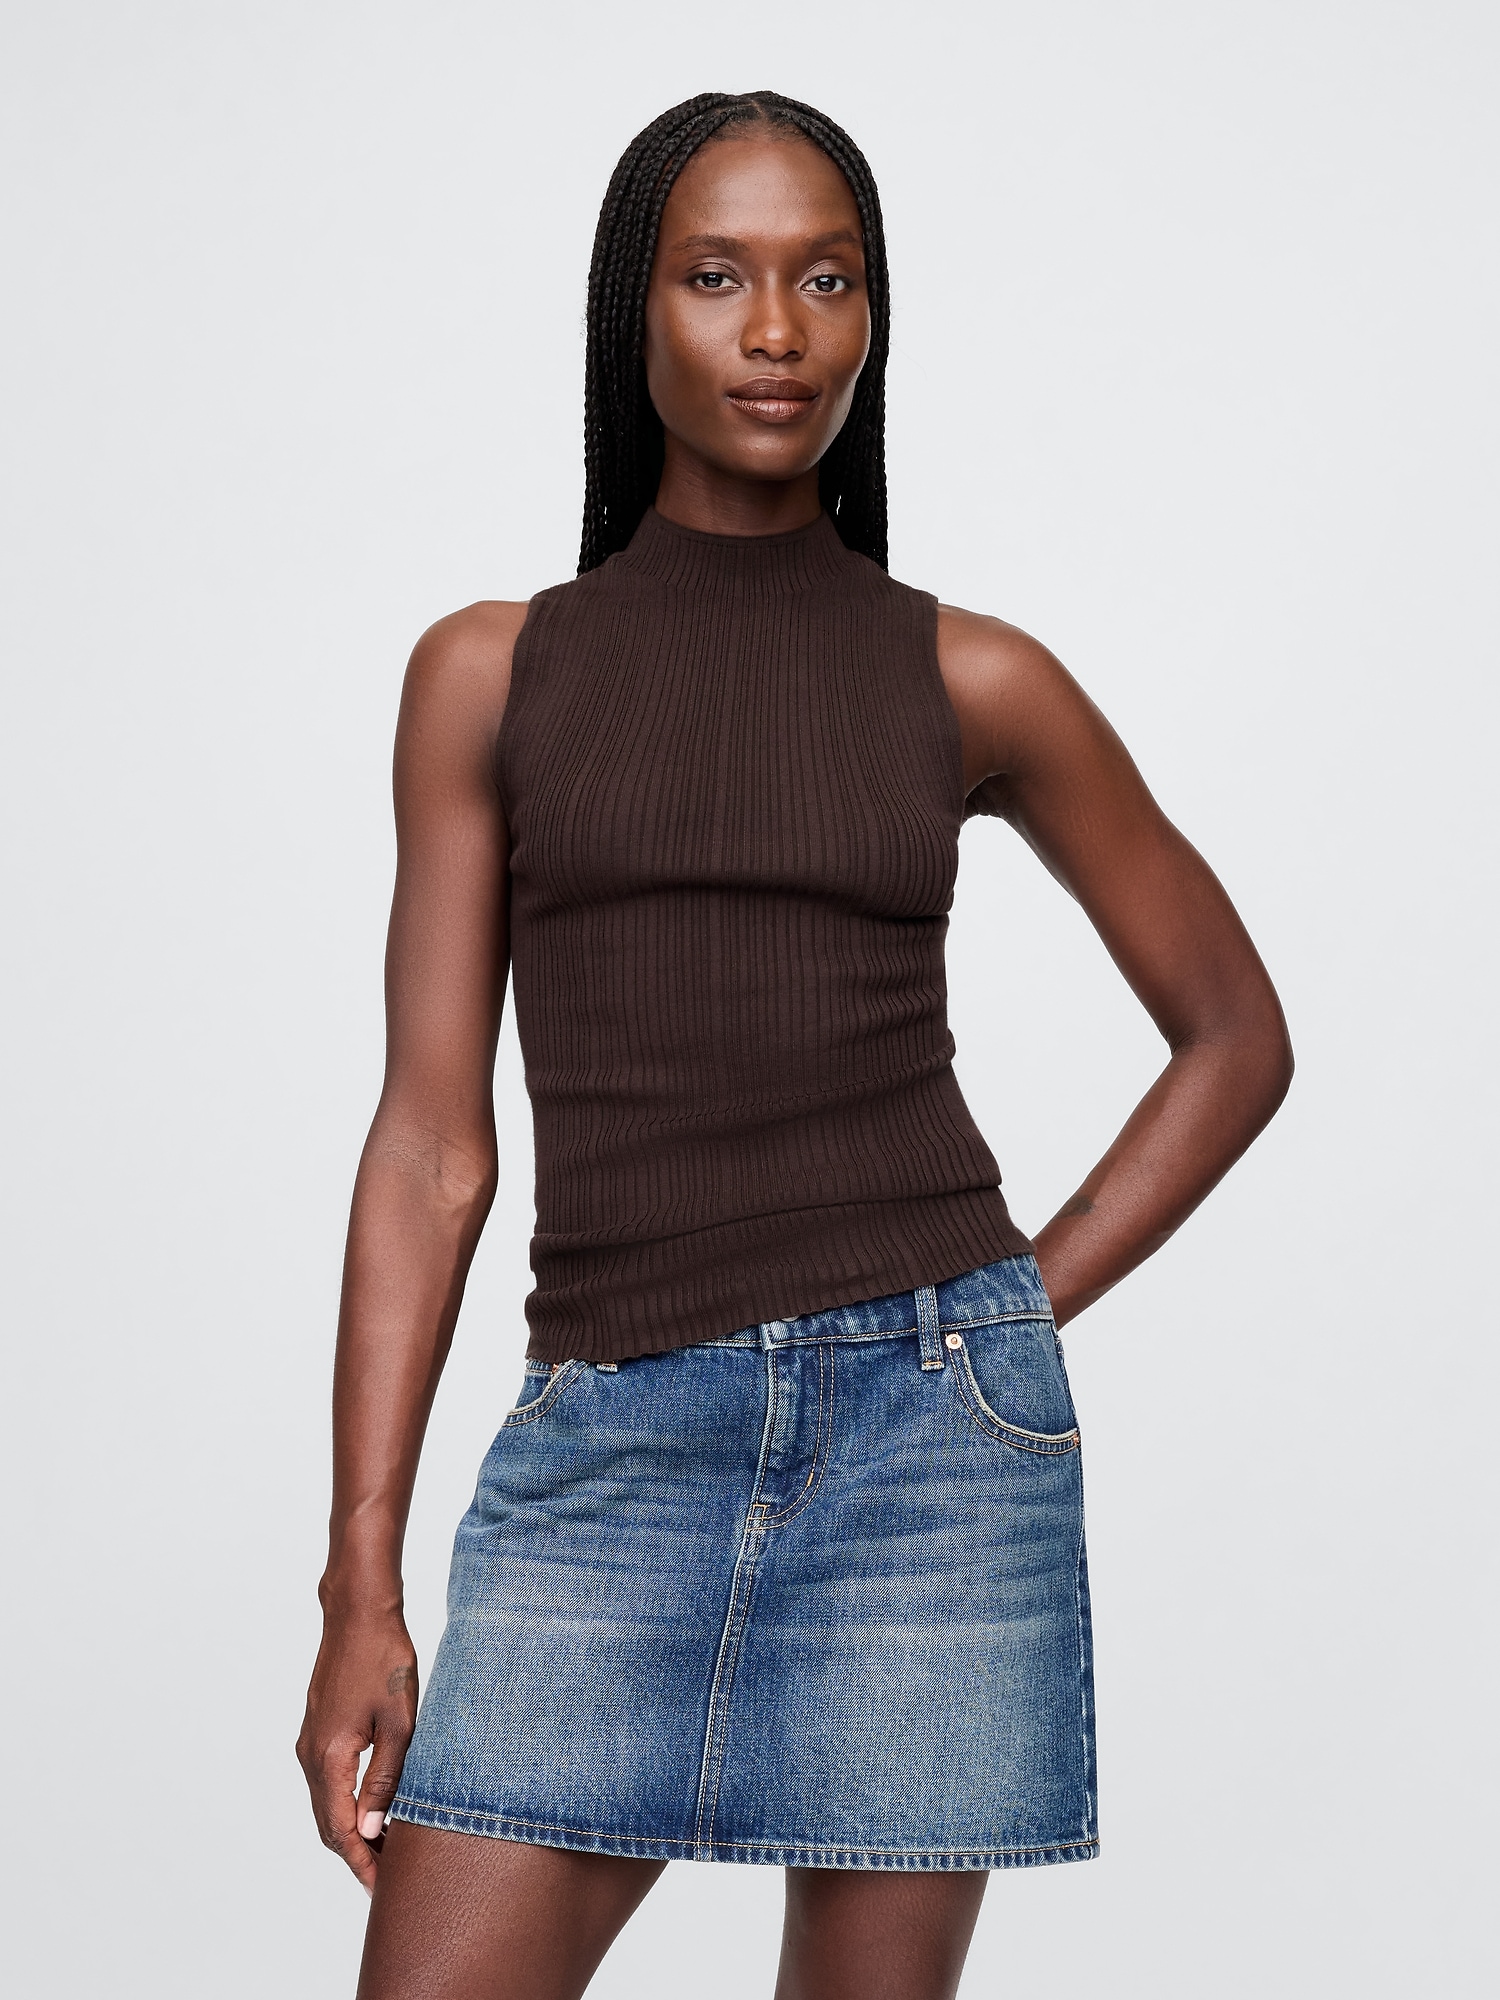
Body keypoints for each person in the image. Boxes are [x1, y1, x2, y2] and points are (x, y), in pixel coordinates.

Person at [296, 90, 1292, 2000]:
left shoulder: (975, 676)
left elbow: (1234, 1037)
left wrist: (1004, 1316)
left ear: (874, 317)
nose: (776, 331)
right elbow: (430, 1147)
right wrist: (361, 1574)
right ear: (634, 311)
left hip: (933, 1471)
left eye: (826, 280)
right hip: (609, 1449)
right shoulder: (490, 674)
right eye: (718, 277)